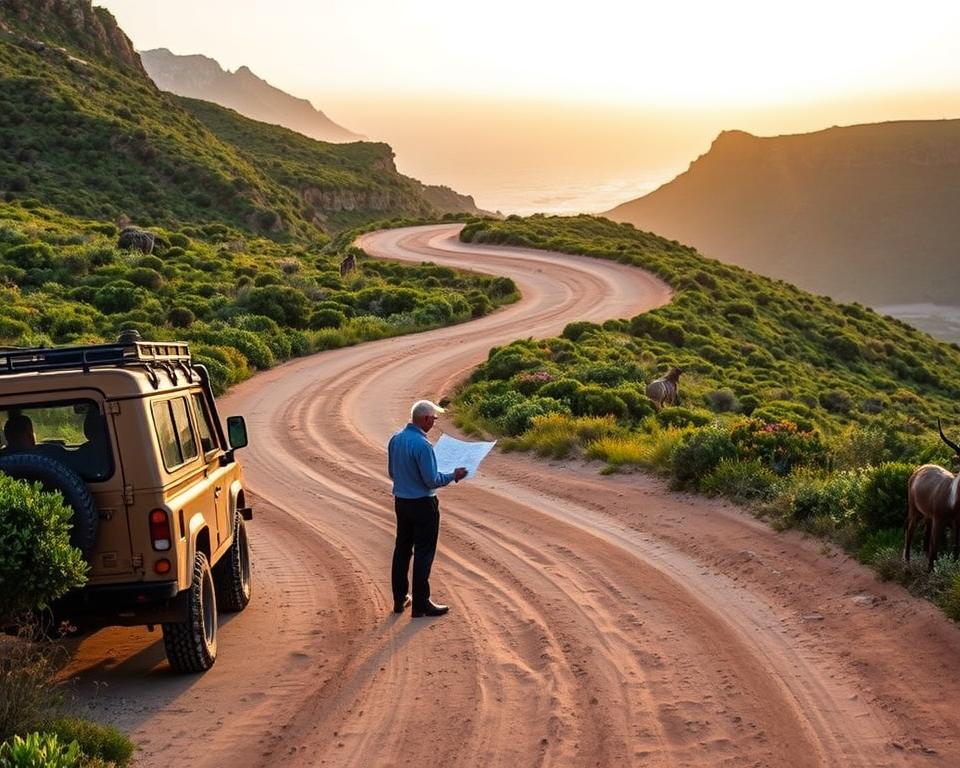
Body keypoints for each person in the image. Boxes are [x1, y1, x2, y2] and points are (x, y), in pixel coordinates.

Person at [387, 399, 467, 618]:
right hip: (423, 504)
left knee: (402, 549)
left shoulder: (396, 439)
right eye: (433, 418)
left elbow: (392, 473)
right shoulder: (423, 445)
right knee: (424, 551)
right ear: (424, 419)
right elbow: (431, 480)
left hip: (401, 502)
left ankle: (399, 598)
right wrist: (454, 475)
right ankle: (421, 604)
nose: (434, 422)